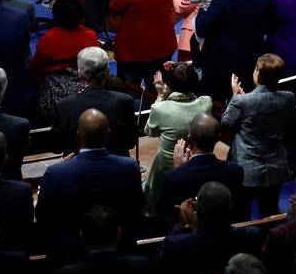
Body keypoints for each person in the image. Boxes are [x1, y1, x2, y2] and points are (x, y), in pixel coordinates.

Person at [36, 109, 143, 245]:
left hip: (72, 250)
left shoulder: (56, 173)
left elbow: (42, 215)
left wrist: (61, 169)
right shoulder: (130, 167)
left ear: (78, 135)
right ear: (108, 133)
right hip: (119, 246)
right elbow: (136, 210)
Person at [220, 53, 294, 219]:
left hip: (247, 169)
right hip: (276, 166)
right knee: (269, 211)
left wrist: (235, 97)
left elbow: (225, 124)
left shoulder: (242, 101)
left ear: (259, 75)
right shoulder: (288, 98)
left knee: (241, 213)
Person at [196, 0, 277, 98]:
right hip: (255, 63)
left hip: (225, 66)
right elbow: (271, 28)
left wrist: (202, 4)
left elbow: (201, 28)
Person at [144, 63, 212, 215]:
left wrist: (160, 97)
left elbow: (150, 131)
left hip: (167, 165)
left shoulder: (160, 108)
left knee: (159, 206)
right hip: (196, 162)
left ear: (169, 85)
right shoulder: (206, 102)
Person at [106, 0, 175, 87]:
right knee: (158, 90)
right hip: (162, 46)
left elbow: (114, 7)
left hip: (135, 50)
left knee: (129, 91)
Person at [156, 113, 244, 222]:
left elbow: (162, 211)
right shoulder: (235, 171)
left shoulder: (173, 177)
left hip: (188, 234)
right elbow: (240, 210)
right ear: (218, 138)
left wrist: (178, 169)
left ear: (189, 138)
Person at [52, 46, 137, 156]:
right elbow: (131, 143)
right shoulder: (124, 101)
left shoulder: (64, 105)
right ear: (108, 70)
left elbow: (56, 147)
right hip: (118, 169)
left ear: (79, 72)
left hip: (75, 170)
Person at [28, 0, 96, 117]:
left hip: (55, 101)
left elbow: (35, 72)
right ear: (81, 18)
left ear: (56, 16)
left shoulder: (49, 39)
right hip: (88, 98)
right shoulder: (90, 36)